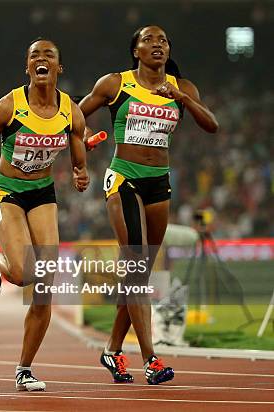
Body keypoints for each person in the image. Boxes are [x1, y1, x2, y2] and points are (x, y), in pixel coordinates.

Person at [0, 38, 89, 391]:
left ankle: (24, 367)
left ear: (58, 67)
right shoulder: (8, 106)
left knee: (45, 285)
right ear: (27, 68)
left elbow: (79, 152)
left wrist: (80, 172)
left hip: (42, 193)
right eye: (34, 56)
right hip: (7, 191)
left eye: (48, 55)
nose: (41, 60)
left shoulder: (72, 112)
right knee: (23, 274)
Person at [79, 25, 218, 385]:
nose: (157, 44)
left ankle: (111, 351)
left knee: (137, 273)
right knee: (137, 267)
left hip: (159, 183)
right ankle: (151, 358)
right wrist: (83, 142)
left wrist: (182, 98)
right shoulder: (115, 84)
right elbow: (73, 118)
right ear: (136, 51)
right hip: (123, 177)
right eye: (148, 40)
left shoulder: (183, 88)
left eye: (163, 40)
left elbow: (212, 125)